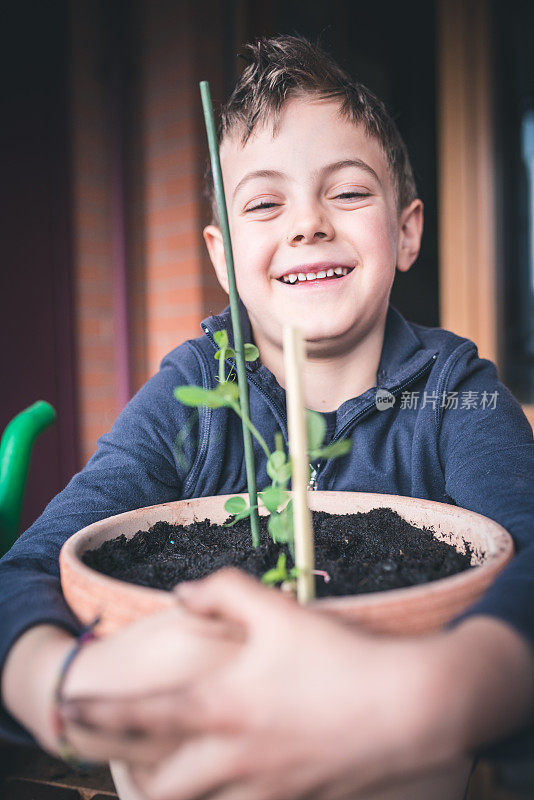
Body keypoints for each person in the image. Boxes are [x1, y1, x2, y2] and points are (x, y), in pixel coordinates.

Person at [1, 34, 533, 800]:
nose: (308, 222)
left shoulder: (459, 393)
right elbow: (28, 567)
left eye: (348, 193)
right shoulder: (195, 387)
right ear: (222, 257)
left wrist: (426, 694)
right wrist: (61, 684)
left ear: (408, 230)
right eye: (263, 203)